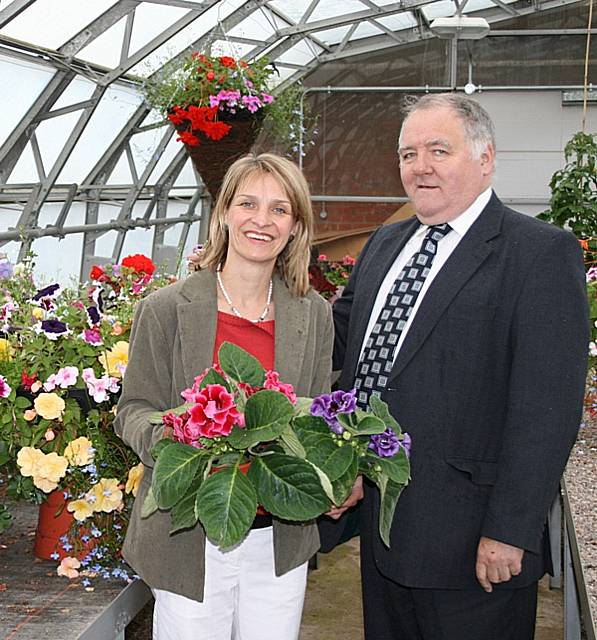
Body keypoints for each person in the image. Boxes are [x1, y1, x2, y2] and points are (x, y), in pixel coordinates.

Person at [331, 94, 589, 640]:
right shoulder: (386, 242)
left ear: (486, 157)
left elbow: (547, 408)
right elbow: (341, 346)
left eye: (437, 150)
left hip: (473, 543)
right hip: (383, 529)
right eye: (407, 153)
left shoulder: (539, 252)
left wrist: (509, 529)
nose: (419, 166)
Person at [114, 152, 333, 640]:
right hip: (187, 535)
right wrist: (180, 445)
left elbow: (317, 414)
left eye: (280, 209)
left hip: (278, 539)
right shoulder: (168, 309)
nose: (262, 220)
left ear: (296, 226)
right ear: (224, 214)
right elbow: (133, 409)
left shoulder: (312, 313)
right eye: (248, 203)